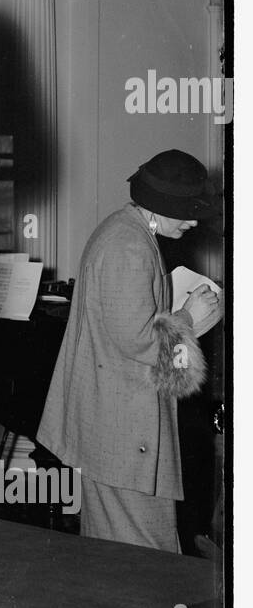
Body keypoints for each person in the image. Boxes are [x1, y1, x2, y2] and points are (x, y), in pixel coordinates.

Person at [37, 150, 220, 552]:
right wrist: (189, 317)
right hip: (124, 431)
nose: (193, 221)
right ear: (161, 206)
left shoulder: (127, 232)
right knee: (144, 556)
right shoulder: (129, 246)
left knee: (116, 552)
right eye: (187, 211)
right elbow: (136, 338)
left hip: (115, 425)